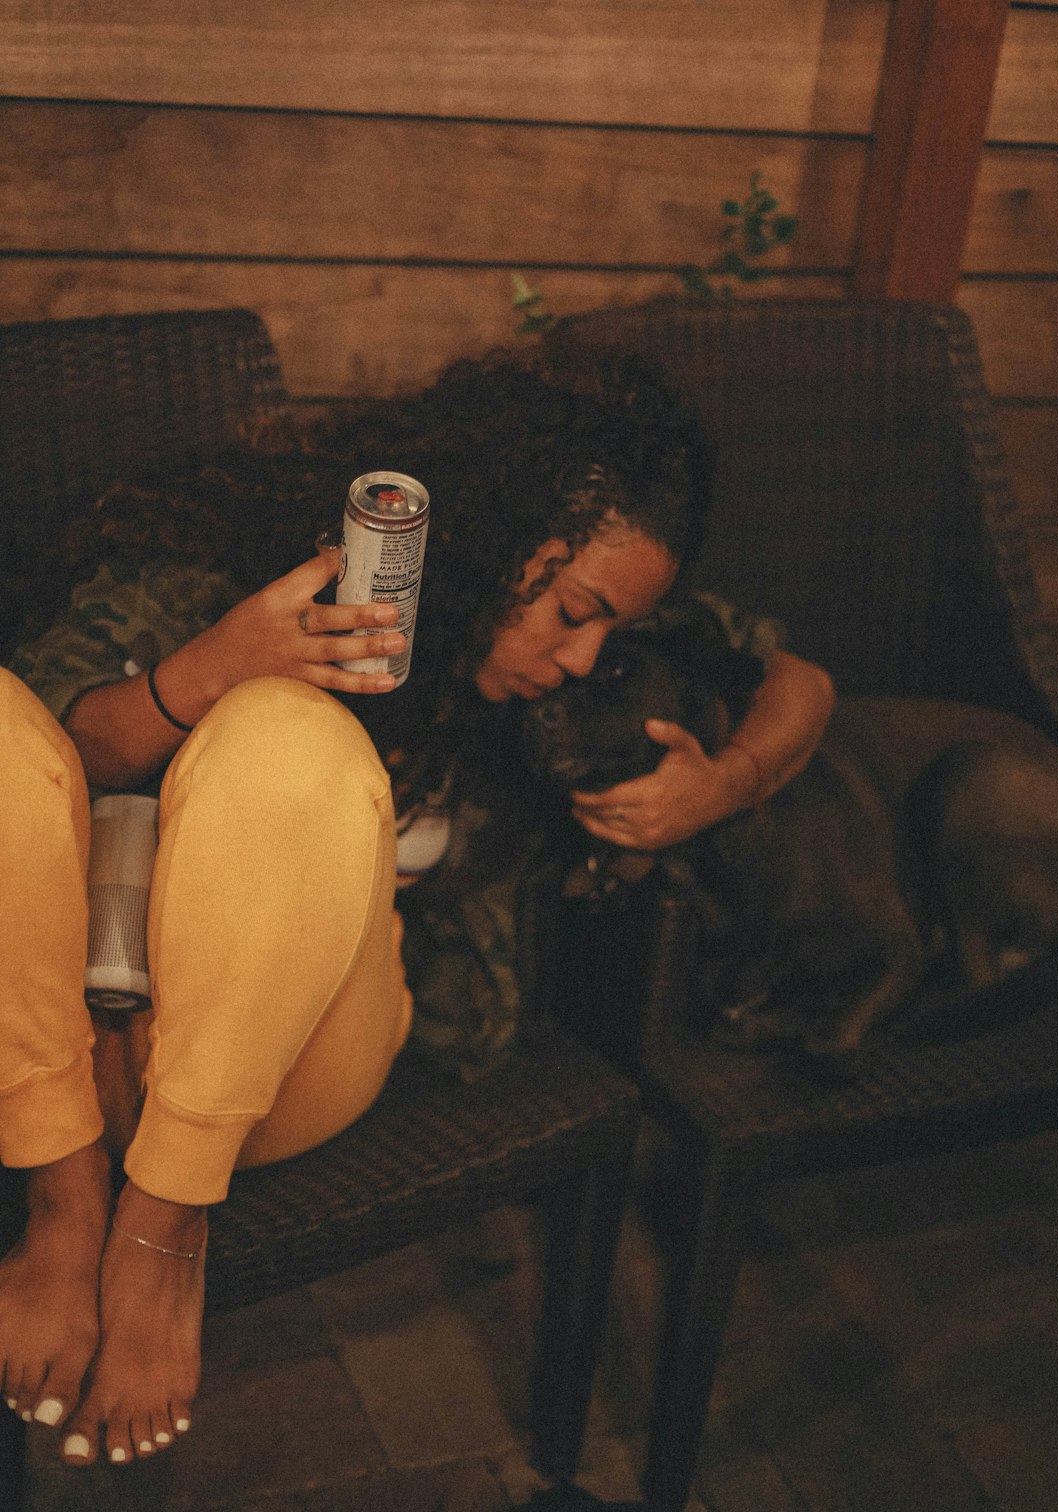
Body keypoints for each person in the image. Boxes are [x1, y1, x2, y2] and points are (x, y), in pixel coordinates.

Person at [0, 351, 834, 1469]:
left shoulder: (583, 660)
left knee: (290, 742)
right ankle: (66, 1190)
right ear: (493, 537)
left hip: (275, 1048)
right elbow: (46, 766)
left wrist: (723, 783)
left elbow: (804, 683)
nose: (584, 657)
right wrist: (202, 673)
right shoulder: (244, 563)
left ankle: (162, 1223)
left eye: (609, 631)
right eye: (574, 610)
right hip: (55, 1019)